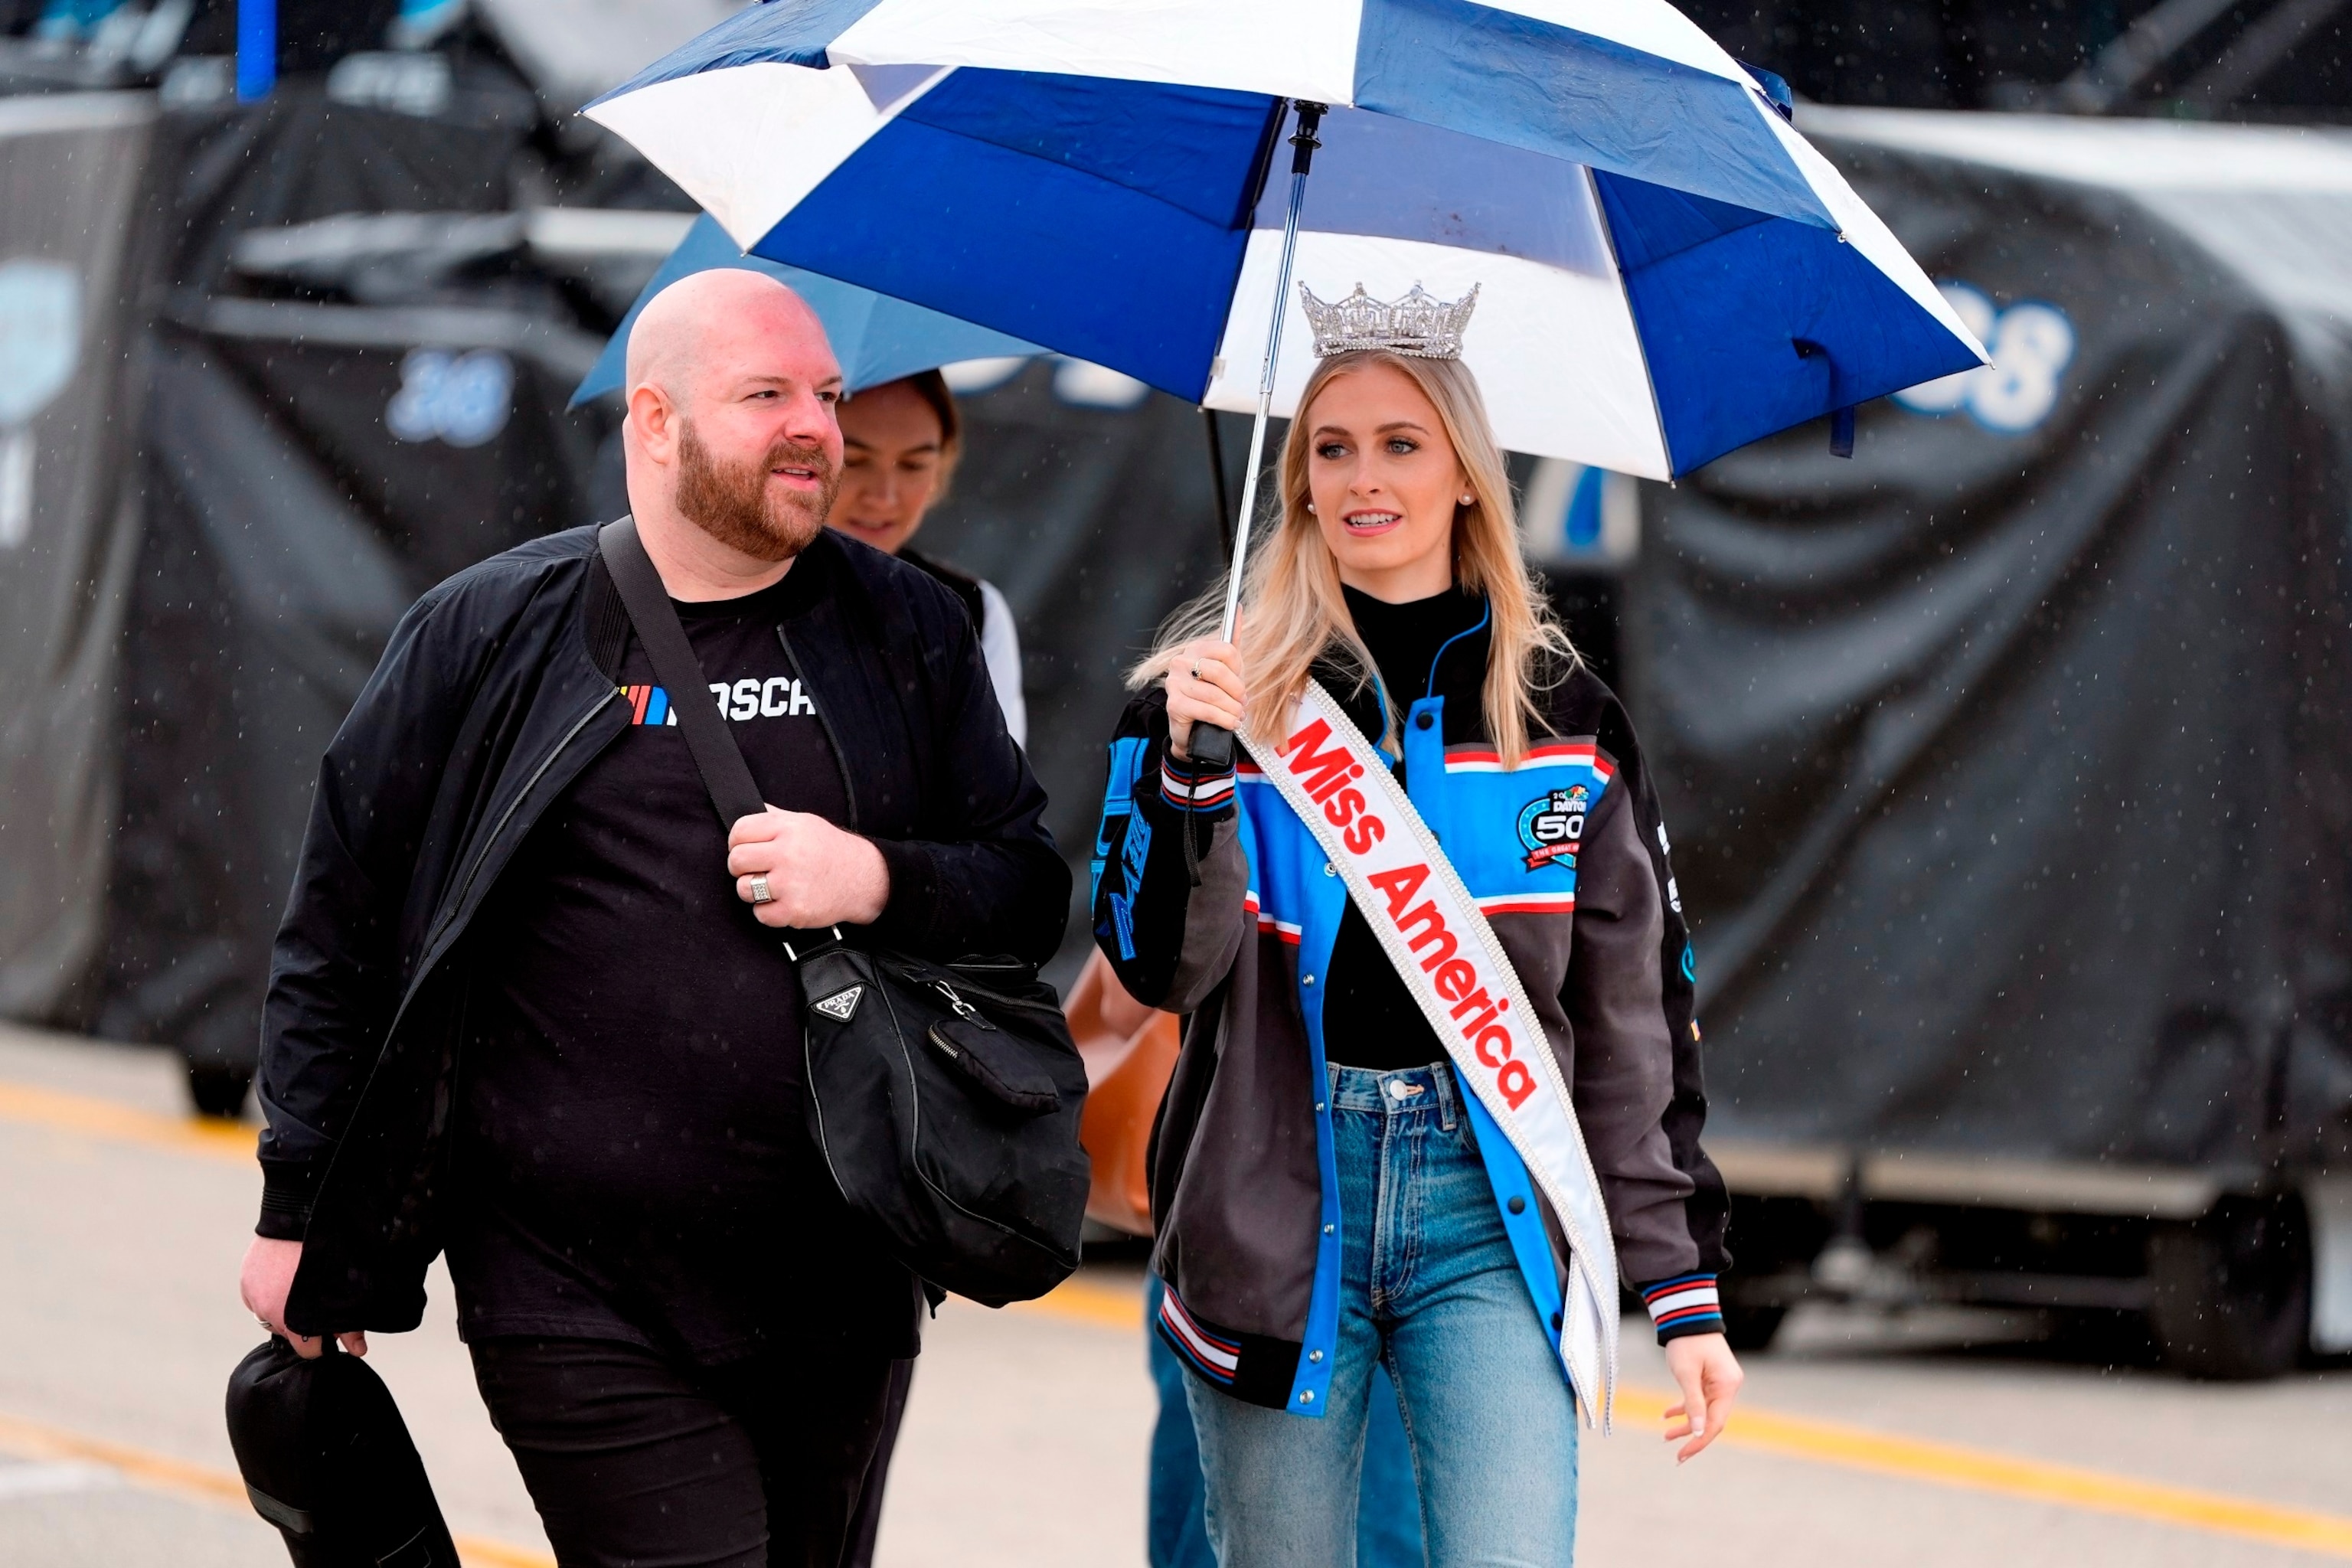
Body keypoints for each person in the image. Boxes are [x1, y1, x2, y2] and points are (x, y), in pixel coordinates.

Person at [237, 269, 1067, 1568]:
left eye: (826, 397)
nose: (818, 429)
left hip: (838, 1275)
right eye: (767, 395)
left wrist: (877, 877)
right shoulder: (491, 630)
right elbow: (339, 925)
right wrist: (300, 1208)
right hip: (568, 1279)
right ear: (655, 420)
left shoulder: (906, 626)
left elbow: (1024, 885)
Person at [1092, 302, 1741, 1565]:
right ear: (1295, 483)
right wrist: (1185, 775)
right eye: (1329, 449)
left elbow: (1632, 1020)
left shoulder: (1565, 714)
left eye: (1400, 442)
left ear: (1463, 476)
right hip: (1272, 1183)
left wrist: (1682, 1291)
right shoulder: (1211, 696)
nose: (1363, 477)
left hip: (1486, 1205)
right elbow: (1156, 967)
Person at [828, 368, 1027, 745]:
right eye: (853, 459)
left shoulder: (967, 609)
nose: (884, 496)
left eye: (914, 465)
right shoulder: (713, 590)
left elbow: (995, 794)